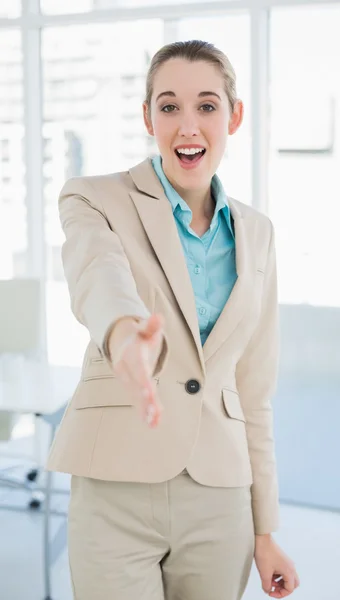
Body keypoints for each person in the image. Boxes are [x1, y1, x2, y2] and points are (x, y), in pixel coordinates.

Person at [47, 39, 300, 600]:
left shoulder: (257, 233)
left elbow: (254, 390)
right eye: (168, 106)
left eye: (206, 106)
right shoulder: (95, 198)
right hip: (117, 484)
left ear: (233, 117)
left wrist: (265, 530)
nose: (188, 125)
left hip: (221, 497)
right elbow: (98, 274)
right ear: (147, 117)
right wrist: (123, 335)